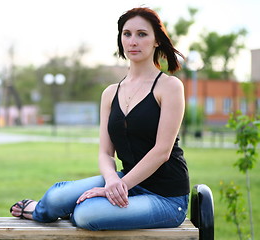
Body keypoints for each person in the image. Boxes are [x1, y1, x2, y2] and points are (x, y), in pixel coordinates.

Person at [10, 7, 190, 231]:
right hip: (125, 182)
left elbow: (162, 151)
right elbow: (105, 153)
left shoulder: (169, 86)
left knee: (86, 214)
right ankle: (41, 210)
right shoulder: (110, 93)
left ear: (156, 41)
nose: (133, 41)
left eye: (142, 34)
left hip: (166, 197)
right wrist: (112, 180)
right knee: (57, 197)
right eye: (127, 34)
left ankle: (67, 212)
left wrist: (118, 185)